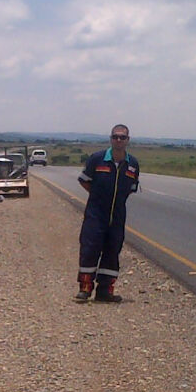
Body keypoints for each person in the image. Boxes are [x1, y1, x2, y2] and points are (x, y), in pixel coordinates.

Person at [75, 124, 140, 303]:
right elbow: (85, 181)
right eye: (115, 136)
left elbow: (130, 189)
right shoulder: (97, 159)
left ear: (128, 140)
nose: (119, 140)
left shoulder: (132, 164)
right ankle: (85, 289)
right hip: (96, 215)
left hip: (117, 217)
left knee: (112, 252)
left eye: (122, 137)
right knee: (89, 250)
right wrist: (98, 197)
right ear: (110, 139)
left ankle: (105, 291)